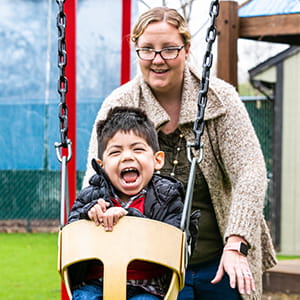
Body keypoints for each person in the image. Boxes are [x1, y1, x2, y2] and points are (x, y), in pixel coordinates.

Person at [82, 6, 277, 300]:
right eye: (147, 50)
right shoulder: (119, 104)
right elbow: (95, 179)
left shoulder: (219, 99)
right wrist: (98, 207)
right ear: (137, 52)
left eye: (169, 49)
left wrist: (237, 241)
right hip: (150, 267)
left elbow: (250, 170)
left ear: (186, 49)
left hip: (220, 258)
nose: (158, 60)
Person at [68, 106, 200, 300]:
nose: (128, 156)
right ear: (102, 165)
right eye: (115, 152)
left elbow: (174, 238)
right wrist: (88, 215)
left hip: (147, 287)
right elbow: (72, 233)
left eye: (137, 149)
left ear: (157, 160)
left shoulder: (167, 196)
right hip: (96, 283)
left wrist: (129, 219)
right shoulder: (91, 196)